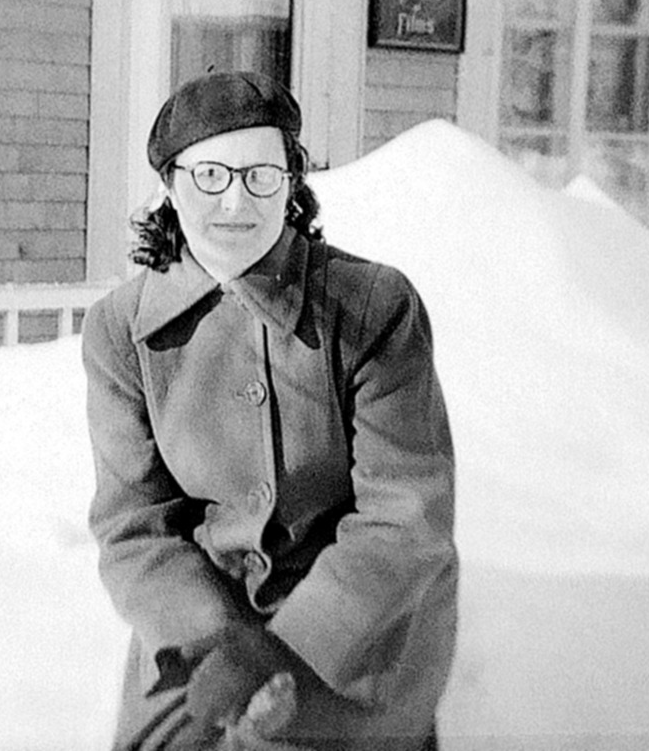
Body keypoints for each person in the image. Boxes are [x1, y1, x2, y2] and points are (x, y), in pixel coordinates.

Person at [82, 70, 458, 750]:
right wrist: (212, 641)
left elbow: (406, 514)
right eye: (209, 176)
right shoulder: (122, 329)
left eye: (260, 175)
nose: (235, 201)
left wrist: (283, 647)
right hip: (204, 625)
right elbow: (133, 524)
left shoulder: (374, 306)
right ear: (168, 185)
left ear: (291, 183)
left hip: (354, 628)